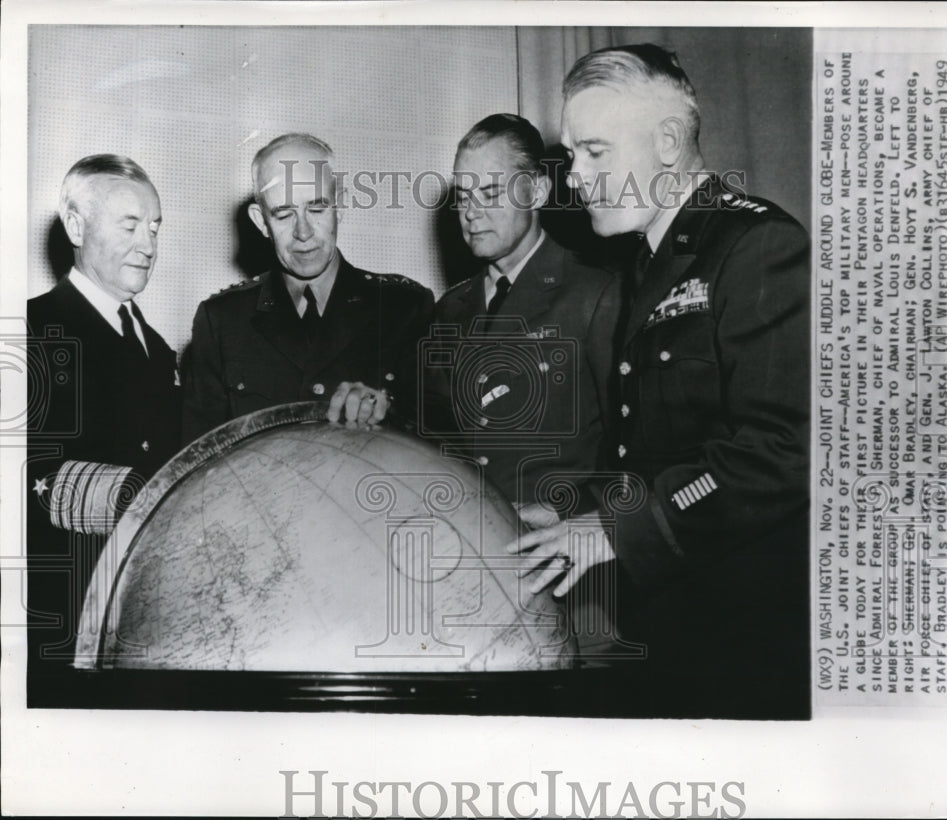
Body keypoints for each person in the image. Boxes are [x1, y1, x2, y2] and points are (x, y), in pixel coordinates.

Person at [511, 45, 811, 717]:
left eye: (595, 152)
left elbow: (786, 450)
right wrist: (569, 509)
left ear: (669, 142)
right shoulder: (649, 266)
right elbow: (660, 452)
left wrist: (613, 531)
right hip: (675, 624)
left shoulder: (756, 248)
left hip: (750, 639)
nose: (576, 179)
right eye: (572, 157)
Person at [423, 113, 628, 660]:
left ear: (536, 189)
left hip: (582, 590)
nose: (471, 212)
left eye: (491, 191)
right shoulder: (451, 310)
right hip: (478, 590)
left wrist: (571, 510)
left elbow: (641, 450)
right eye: (463, 195)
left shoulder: (599, 294)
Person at [26, 154, 181, 682]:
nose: (149, 245)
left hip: (143, 611)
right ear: (75, 225)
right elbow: (28, 478)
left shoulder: (159, 350)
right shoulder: (30, 328)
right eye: (131, 225)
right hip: (61, 616)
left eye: (155, 227)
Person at [182, 133, 434, 443]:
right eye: (284, 214)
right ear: (261, 222)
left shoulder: (404, 307)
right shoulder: (221, 321)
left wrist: (388, 410)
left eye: (317, 209)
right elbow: (199, 460)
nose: (303, 232)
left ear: (340, 206)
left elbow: (442, 438)